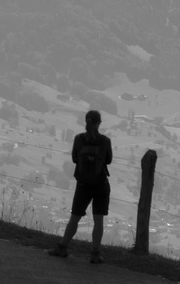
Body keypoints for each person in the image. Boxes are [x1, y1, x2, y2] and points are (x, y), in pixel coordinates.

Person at [51, 109, 113, 264]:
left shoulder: (79, 139)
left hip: (83, 185)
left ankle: (62, 247)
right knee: (98, 220)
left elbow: (74, 159)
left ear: (86, 121)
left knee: (75, 217)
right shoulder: (105, 141)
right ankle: (95, 253)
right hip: (101, 185)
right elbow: (109, 160)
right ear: (99, 123)